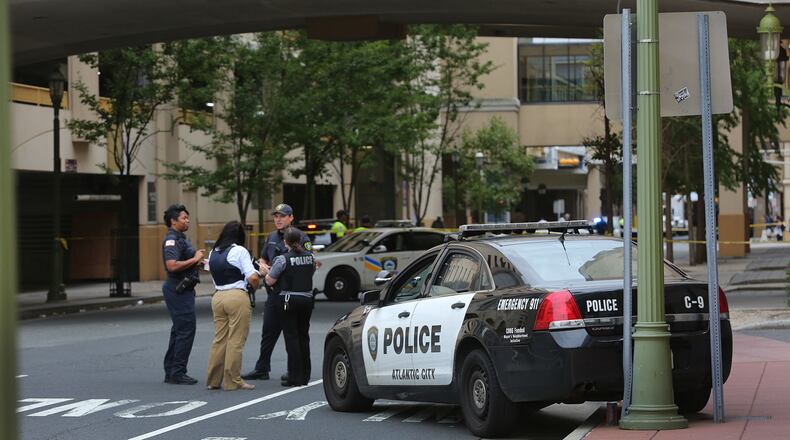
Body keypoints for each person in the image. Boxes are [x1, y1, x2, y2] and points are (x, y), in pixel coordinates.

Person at [242, 203, 313, 381]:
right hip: (274, 293)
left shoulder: (301, 237)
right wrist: (263, 264)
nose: (278, 219)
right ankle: (262, 368)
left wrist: (275, 271)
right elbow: (264, 256)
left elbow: (307, 263)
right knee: (268, 331)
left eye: (282, 216)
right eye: (276, 216)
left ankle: (296, 371)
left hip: (290, 292)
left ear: (291, 218)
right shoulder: (272, 236)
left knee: (294, 335)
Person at [206, 221, 261, 391]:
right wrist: (255, 286)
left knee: (219, 340)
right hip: (236, 296)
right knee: (236, 340)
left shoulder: (213, 252)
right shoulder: (239, 251)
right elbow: (252, 277)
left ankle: (213, 381)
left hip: (218, 297)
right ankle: (233, 380)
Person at [259, 227, 316, 387]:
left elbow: (270, 281)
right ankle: (305, 374)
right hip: (307, 300)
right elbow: (309, 273)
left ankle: (294, 376)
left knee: (291, 338)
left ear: (285, 242)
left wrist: (265, 272)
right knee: (304, 336)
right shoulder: (310, 257)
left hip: (288, 301)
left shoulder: (283, 259)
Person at [161, 204, 205, 385]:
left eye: (188, 218)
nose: (187, 221)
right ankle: (177, 372)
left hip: (184, 288)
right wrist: (194, 259)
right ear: (173, 221)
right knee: (186, 330)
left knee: (179, 330)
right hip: (177, 288)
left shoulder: (181, 238)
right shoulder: (171, 240)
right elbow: (171, 265)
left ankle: (172, 370)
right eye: (184, 218)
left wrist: (199, 262)